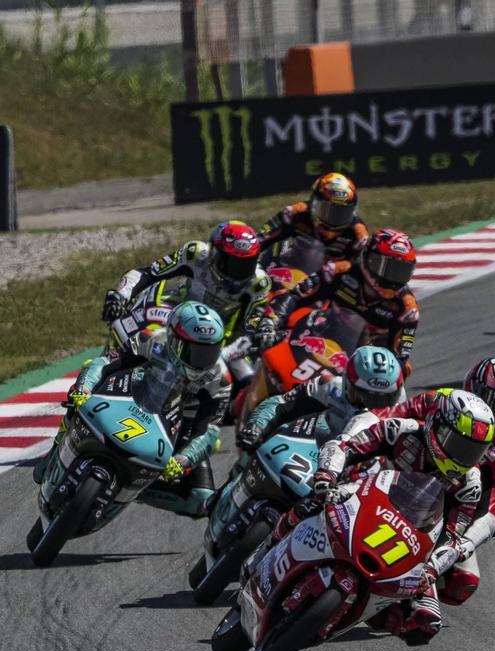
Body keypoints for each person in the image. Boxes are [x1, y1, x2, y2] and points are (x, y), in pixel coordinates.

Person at [275, 389, 495, 646]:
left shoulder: (470, 484)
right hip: (363, 495)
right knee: (309, 505)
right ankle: (269, 544)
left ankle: (359, 614)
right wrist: (327, 475)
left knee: (425, 622)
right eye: (460, 445)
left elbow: (453, 536)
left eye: (473, 451)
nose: (463, 457)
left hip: (413, 538)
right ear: (438, 426)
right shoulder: (402, 431)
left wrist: (433, 568)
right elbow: (346, 446)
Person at [36, 302, 230, 517]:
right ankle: (57, 447)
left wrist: (184, 459)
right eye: (194, 351)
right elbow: (105, 362)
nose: (201, 361)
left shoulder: (220, 379)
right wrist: (84, 389)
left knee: (200, 500)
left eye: (209, 352)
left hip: (179, 427)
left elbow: (209, 431)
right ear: (174, 339)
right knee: (79, 397)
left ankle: (133, 488)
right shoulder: (152, 339)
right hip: (134, 394)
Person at [381, 358, 495, 607]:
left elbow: (493, 509)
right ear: (476, 390)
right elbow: (389, 420)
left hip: (445, 510)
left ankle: (402, 597)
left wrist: (465, 544)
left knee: (463, 581)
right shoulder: (439, 401)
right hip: (396, 477)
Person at [101, 221, 270, 387]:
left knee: (248, 383)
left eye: (245, 266)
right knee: (134, 336)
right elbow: (149, 273)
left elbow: (249, 334)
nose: (237, 274)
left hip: (218, 341)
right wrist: (119, 295)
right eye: (231, 264)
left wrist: (219, 356)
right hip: (178, 318)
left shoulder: (259, 284)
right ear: (213, 253)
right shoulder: (194, 254)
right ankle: (104, 372)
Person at [260, 229, 420, 377]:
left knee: (403, 371)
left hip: (365, 361)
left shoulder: (407, 309)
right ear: (369, 259)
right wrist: (272, 320)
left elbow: (399, 357)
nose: (393, 280)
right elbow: (295, 295)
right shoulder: (338, 272)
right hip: (321, 334)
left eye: (401, 272)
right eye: (387, 269)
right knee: (261, 345)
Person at [234, 345, 406, 472]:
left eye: (384, 399)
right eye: (365, 397)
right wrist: (256, 426)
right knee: (255, 453)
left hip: (368, 474)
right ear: (347, 382)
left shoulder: (407, 411)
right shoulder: (331, 387)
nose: (373, 408)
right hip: (316, 458)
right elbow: (279, 403)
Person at [258, 173, 370, 273]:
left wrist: (334, 268)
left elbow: (358, 269)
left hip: (324, 286)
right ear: (314, 204)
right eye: (327, 211)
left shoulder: (359, 236)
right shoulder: (294, 213)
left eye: (341, 213)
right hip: (286, 270)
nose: (334, 219)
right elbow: (261, 238)